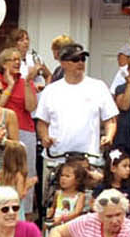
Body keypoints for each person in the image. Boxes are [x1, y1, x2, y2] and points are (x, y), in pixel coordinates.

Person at [34, 42, 119, 177]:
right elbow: (42, 122)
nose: (80, 63)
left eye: (82, 59)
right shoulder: (51, 90)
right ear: (63, 63)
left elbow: (110, 119)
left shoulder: (98, 87)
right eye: (75, 59)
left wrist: (109, 136)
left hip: (89, 158)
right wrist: (45, 137)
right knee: (55, 197)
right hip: (58, 158)